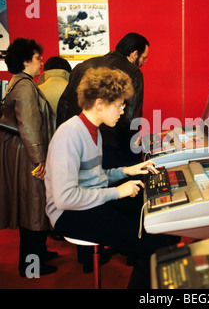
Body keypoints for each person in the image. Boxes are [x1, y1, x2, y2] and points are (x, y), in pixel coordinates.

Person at [45, 67, 177, 288]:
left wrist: (127, 171)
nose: (122, 111)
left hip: (91, 201)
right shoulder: (69, 135)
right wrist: (118, 192)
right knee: (154, 242)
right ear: (99, 104)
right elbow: (64, 198)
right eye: (118, 105)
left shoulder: (92, 130)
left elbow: (95, 176)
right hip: (68, 215)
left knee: (164, 224)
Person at [0, 38, 57, 277]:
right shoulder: (25, 86)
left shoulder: (19, 83)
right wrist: (39, 159)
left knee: (32, 206)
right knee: (33, 207)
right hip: (28, 155)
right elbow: (30, 125)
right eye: (37, 58)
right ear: (25, 61)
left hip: (23, 153)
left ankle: (39, 254)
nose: (41, 61)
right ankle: (31, 265)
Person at [57, 32, 149, 168]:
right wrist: (133, 150)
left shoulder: (83, 66)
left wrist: (62, 139)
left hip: (76, 143)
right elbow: (131, 118)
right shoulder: (133, 72)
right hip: (111, 148)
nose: (144, 62)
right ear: (135, 54)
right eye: (144, 58)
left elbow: (63, 105)